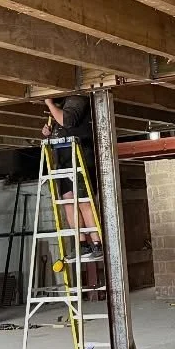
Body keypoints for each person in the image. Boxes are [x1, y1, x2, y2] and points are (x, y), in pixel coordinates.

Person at [42, 95, 103, 259]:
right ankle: (82, 245)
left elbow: (67, 121)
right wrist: (50, 133)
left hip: (80, 157)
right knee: (68, 202)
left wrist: (49, 104)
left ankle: (97, 244)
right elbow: (61, 126)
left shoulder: (77, 99)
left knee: (84, 202)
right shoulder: (62, 104)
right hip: (63, 160)